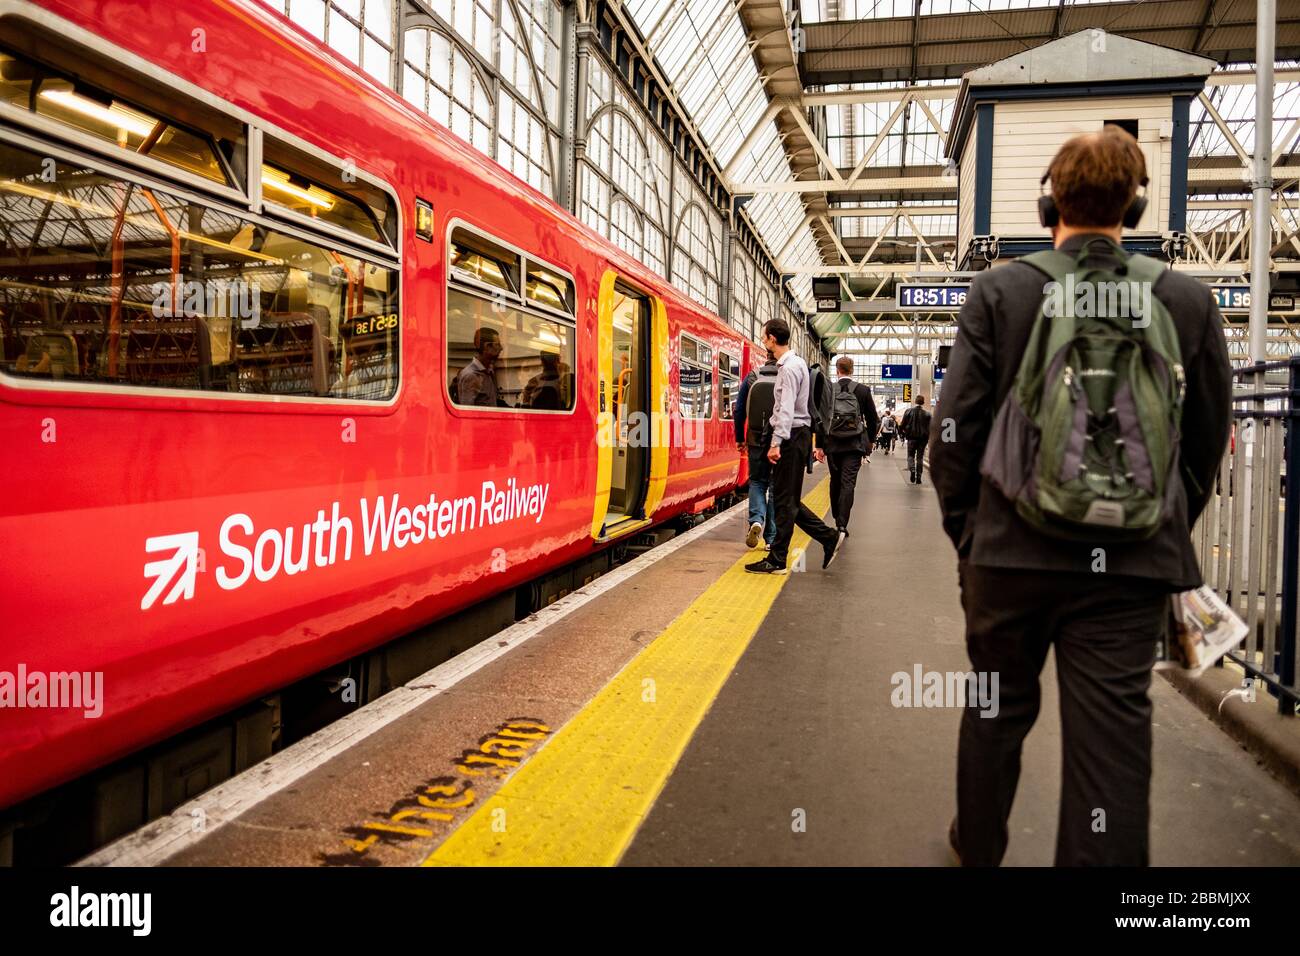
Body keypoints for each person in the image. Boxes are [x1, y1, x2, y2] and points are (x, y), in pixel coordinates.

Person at [930, 126, 1232, 867]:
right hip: (1129, 566)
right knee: (1112, 746)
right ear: (1134, 208)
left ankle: (980, 849)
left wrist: (972, 534)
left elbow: (954, 435)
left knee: (996, 710)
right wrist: (1159, 525)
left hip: (1009, 556)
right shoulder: (1187, 300)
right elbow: (1204, 444)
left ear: (1046, 204)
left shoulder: (1000, 291)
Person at [744, 318, 842, 574]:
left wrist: (776, 442)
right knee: (788, 501)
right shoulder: (797, 363)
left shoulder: (787, 368)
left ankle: (780, 558)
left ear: (772, 339)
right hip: (799, 436)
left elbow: (785, 409)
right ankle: (824, 539)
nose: (763, 341)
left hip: (791, 437)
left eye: (764, 337)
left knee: (785, 501)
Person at [823, 356, 879, 536]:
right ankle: (842, 524)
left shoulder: (829, 388)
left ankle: (836, 515)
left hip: (832, 443)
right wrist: (870, 441)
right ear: (852, 370)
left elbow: (822, 417)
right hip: (854, 444)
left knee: (835, 480)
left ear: (837, 370)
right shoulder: (863, 390)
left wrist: (819, 445)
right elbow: (872, 419)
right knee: (848, 483)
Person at [734, 350, 779, 550]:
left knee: (757, 482)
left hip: (755, 439)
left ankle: (756, 521)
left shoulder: (752, 376)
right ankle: (771, 539)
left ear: (766, 357)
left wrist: (739, 438)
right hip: (780, 441)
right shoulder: (788, 376)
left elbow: (739, 410)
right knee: (775, 486)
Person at [455, 327, 503, 406]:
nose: (501, 348)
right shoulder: (471, 375)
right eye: (497, 344)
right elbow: (468, 412)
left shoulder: (488, 371)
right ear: (487, 346)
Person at [900, 393, 931, 484]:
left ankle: (912, 469)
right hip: (923, 439)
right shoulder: (927, 414)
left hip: (911, 438)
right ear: (923, 402)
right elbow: (931, 427)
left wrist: (902, 434)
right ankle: (919, 478)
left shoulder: (908, 411)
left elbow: (902, 425)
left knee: (910, 455)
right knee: (920, 457)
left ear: (915, 401)